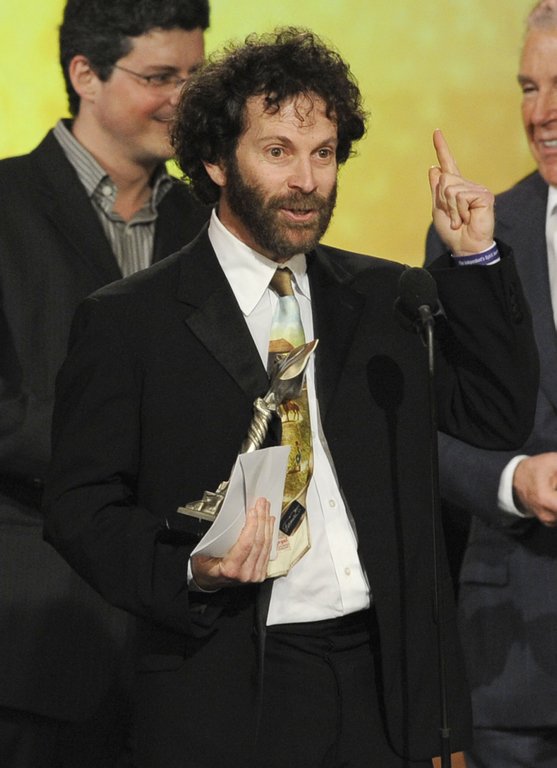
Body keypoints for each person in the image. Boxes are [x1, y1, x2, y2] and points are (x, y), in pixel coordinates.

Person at [43, 27, 538, 768]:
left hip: (383, 685)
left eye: (323, 153)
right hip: (227, 685)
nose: (307, 179)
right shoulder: (129, 320)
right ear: (216, 160)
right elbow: (80, 507)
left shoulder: (387, 298)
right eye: (277, 151)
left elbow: (493, 417)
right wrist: (190, 569)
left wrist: (475, 260)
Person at [0, 1, 210, 766]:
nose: (185, 100)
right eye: (160, 78)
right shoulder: (6, 204)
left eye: (196, 77)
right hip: (35, 638)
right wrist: (129, 445)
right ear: (84, 74)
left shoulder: (213, 223)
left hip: (183, 644)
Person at [424, 2, 557, 765]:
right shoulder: (474, 233)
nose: (541, 114)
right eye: (528, 87)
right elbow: (426, 434)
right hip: (513, 664)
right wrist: (512, 480)